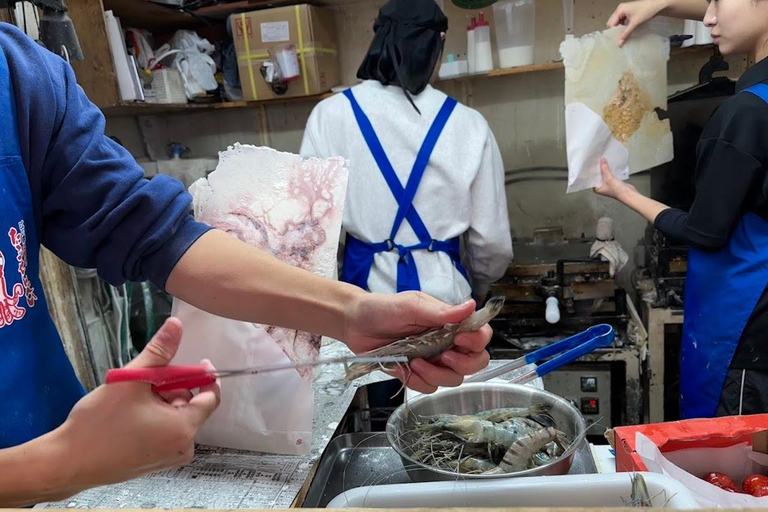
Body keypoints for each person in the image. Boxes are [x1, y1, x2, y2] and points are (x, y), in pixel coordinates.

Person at [0, 22, 493, 507]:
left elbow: (149, 231)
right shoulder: (470, 123)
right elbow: (492, 243)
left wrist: (349, 313)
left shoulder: (18, 74)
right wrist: (61, 464)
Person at [597, 0, 768, 418]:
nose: (708, 17)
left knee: (731, 473)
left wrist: (622, 192)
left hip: (744, 337)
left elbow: (703, 231)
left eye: (716, 1)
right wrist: (660, 4)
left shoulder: (746, 114)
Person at [300, 0, 513, 307]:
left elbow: (310, 233)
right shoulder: (468, 124)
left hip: (362, 306)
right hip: (446, 307)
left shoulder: (329, 115)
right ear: (438, 42)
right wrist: (480, 284)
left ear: (379, 39)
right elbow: (492, 242)